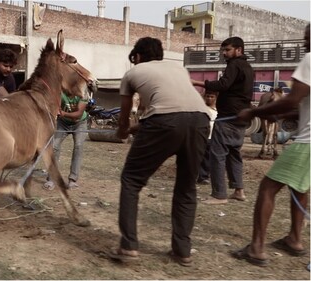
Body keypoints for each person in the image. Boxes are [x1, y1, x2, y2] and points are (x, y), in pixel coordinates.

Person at [108, 37, 211, 266]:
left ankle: (128, 246)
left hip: (165, 122)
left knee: (132, 180)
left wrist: (122, 132)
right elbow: (176, 106)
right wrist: (142, 127)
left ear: (137, 56)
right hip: (201, 120)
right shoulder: (178, 69)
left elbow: (125, 115)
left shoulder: (133, 73)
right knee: (186, 187)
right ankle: (182, 251)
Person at [231, 23, 310, 267]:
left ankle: (256, 248)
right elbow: (300, 108)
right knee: (300, 188)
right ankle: (294, 239)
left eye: (308, 37)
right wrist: (279, 116)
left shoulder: (310, 59)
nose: (304, 42)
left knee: (267, 188)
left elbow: (293, 100)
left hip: (307, 142)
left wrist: (254, 112)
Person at [191, 36, 254, 205]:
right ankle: (239, 190)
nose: (224, 53)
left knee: (217, 155)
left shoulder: (234, 65)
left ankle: (219, 194)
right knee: (234, 154)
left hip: (228, 117)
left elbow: (223, 85)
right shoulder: (248, 67)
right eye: (223, 50)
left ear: (238, 50)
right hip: (241, 117)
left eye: (227, 50)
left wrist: (197, 82)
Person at [43, 91, 89, 190]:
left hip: (79, 123)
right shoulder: (60, 92)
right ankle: (51, 179)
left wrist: (62, 113)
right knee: (54, 146)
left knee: (78, 146)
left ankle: (73, 180)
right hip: (62, 123)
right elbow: (56, 107)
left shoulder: (83, 93)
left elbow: (78, 114)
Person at [197, 90, 218, 185]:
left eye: (212, 97)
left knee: (208, 158)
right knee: (200, 157)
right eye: (207, 96)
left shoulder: (218, 111)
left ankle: (204, 176)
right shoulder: (201, 109)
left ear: (216, 98)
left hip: (213, 137)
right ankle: (200, 176)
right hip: (202, 137)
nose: (209, 98)